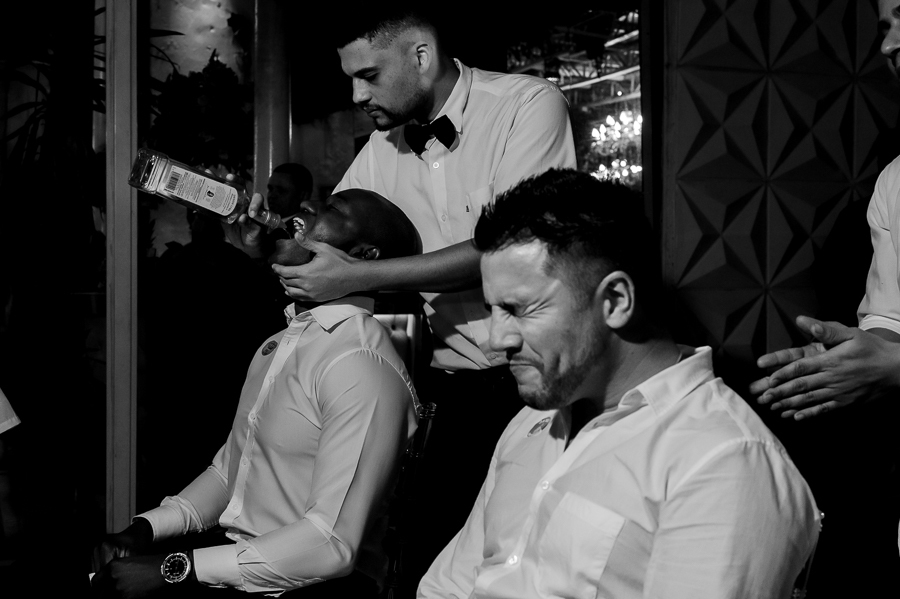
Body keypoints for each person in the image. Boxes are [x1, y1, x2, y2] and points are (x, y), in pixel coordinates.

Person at [248, 7, 576, 574]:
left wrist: (362, 278)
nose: (356, 94)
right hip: (453, 392)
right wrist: (271, 239)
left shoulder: (526, 105)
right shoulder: (382, 149)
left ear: (421, 56)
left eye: (369, 76)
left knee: (532, 567)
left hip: (544, 384)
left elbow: (512, 251)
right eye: (351, 78)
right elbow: (329, 240)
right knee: (433, 566)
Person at [418, 169, 821, 598]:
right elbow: (446, 588)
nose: (497, 340)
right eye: (492, 310)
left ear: (615, 301)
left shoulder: (723, 459)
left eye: (519, 309)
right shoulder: (528, 423)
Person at [90, 188, 422, 598]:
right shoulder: (280, 343)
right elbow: (229, 473)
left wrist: (173, 569)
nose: (308, 205)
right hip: (242, 571)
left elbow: (330, 544)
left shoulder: (358, 362)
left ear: (365, 256)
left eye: (333, 208)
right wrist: (145, 529)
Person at [749, 0, 900, 420]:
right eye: (884, 29)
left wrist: (894, 367)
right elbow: (890, 318)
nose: (888, 46)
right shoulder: (893, 179)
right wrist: (853, 358)